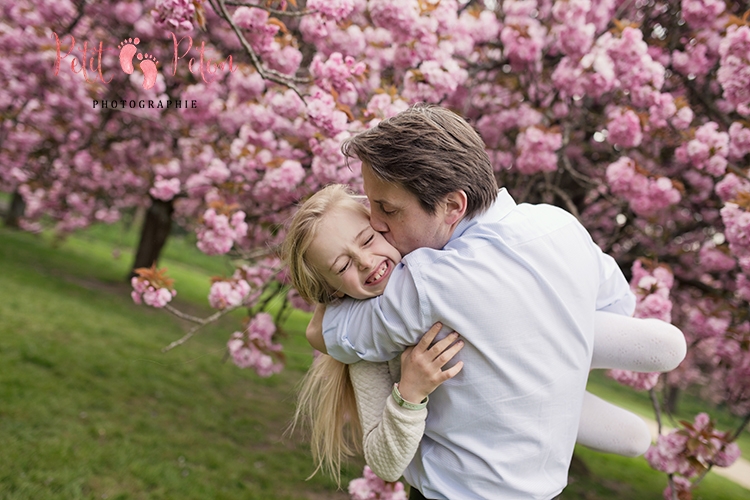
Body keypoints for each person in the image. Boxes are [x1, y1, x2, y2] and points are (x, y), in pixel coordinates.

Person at [313, 104, 686, 500]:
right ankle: (559, 388)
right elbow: (617, 305)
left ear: (453, 206)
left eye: (388, 208)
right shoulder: (559, 225)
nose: (374, 221)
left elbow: (325, 333)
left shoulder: (430, 283)